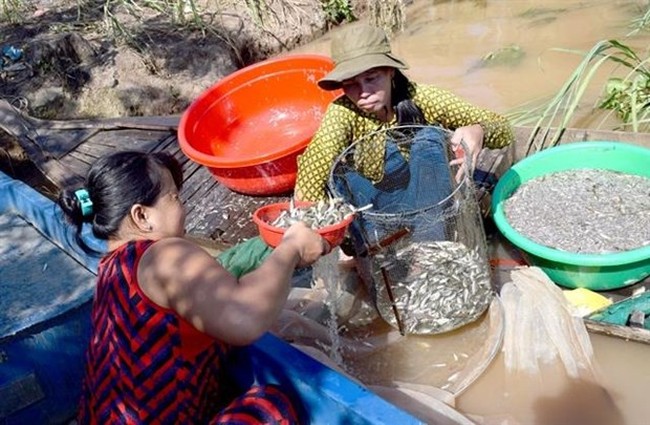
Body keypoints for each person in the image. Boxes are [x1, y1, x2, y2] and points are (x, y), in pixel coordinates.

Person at [58, 150, 329, 424]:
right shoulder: (163, 255)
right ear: (141, 216)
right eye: (174, 197)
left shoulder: (111, 268)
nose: (183, 207)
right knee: (271, 407)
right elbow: (245, 319)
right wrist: (291, 247)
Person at [294, 23, 514, 203]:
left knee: (428, 140)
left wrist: (479, 130)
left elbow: (503, 129)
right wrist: (311, 221)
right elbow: (316, 164)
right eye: (351, 84)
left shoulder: (423, 98)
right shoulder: (342, 113)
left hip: (429, 189)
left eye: (371, 79)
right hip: (374, 198)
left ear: (390, 71)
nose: (363, 93)